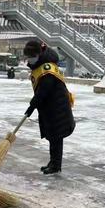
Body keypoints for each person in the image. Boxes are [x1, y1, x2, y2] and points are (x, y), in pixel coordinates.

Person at [23, 40, 75, 175]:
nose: (29, 59)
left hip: (57, 108)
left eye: (31, 56)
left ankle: (56, 165)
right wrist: (34, 105)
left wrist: (32, 106)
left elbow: (43, 91)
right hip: (50, 107)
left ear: (39, 54)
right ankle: (53, 162)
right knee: (53, 137)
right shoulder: (41, 65)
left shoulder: (48, 68)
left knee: (56, 137)